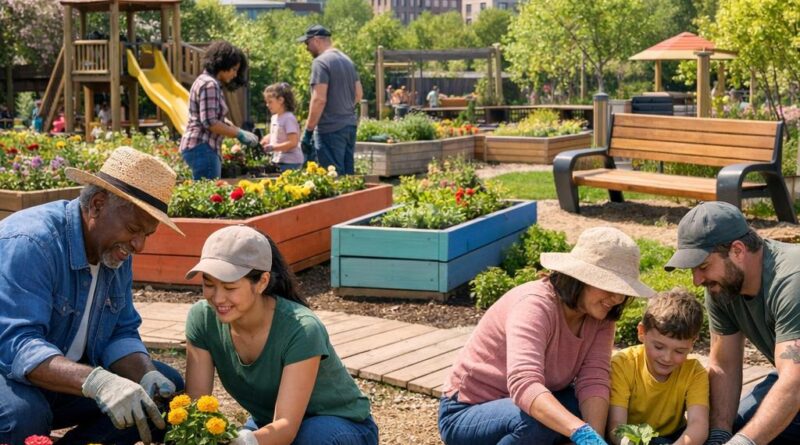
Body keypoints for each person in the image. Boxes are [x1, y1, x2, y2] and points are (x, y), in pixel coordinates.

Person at [0, 147, 186, 444]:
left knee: (160, 395)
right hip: (8, 373)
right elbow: (17, 345)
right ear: (97, 205)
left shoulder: (114, 250)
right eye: (134, 229)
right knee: (23, 417)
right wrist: (97, 382)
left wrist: (146, 373)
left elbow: (120, 331)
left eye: (146, 235)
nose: (139, 245)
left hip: (56, 380)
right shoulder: (32, 242)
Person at [439, 227, 655, 445]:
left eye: (623, 289)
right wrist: (580, 432)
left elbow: (594, 379)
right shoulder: (534, 305)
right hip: (468, 411)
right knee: (540, 422)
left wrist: (594, 437)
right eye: (610, 286)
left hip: (529, 402)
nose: (617, 297)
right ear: (581, 277)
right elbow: (524, 384)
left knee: (599, 407)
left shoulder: (600, 314)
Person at [183, 225, 379, 445]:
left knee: (309, 439)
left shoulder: (302, 329)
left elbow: (285, 428)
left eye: (229, 288)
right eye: (208, 284)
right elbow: (196, 407)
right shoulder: (203, 319)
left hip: (340, 426)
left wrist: (246, 441)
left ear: (262, 282)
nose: (218, 298)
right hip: (270, 426)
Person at [664, 201, 800, 445]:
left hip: (795, 381)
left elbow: (795, 383)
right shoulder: (721, 287)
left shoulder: (792, 281)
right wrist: (719, 434)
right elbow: (724, 365)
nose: (696, 280)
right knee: (735, 428)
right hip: (789, 380)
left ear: (737, 250)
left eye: (703, 266)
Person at [607, 289, 709, 445]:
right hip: (631, 439)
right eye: (659, 347)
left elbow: (698, 425)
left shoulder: (695, 372)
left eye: (679, 351)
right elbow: (616, 426)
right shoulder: (623, 364)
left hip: (675, 438)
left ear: (692, 342)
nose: (667, 358)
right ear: (642, 332)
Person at [180, 40, 259, 180]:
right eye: (234, 69)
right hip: (203, 147)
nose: (235, 74)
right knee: (208, 197)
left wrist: (235, 128)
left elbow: (215, 117)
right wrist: (238, 133)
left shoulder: (202, 80)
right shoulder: (210, 85)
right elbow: (210, 122)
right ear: (223, 64)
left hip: (196, 147)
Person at [297, 24, 362, 175]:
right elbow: (359, 94)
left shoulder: (320, 62)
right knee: (348, 179)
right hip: (349, 126)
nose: (306, 48)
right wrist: (342, 108)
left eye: (307, 43)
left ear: (317, 40)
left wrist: (308, 131)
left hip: (330, 130)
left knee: (333, 178)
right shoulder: (348, 61)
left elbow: (319, 99)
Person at [260, 83, 304, 172]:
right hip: (279, 160)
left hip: (291, 162)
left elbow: (293, 142)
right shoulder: (275, 117)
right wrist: (266, 139)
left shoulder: (288, 118)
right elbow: (277, 133)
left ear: (281, 100)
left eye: (270, 102)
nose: (267, 105)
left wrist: (273, 148)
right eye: (266, 102)